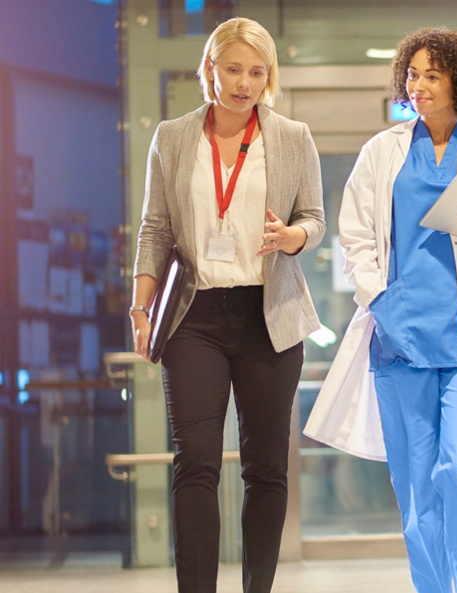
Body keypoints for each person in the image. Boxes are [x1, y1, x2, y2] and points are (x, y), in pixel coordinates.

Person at [304, 27, 457, 593]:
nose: (419, 84)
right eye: (413, 74)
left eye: (433, 75)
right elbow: (355, 235)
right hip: (398, 338)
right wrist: (377, 298)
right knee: (416, 492)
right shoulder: (383, 151)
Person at [130, 17, 325, 593]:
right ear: (209, 68)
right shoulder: (172, 135)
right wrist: (140, 311)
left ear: (269, 77)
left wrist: (294, 238)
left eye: (256, 72)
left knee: (266, 469)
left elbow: (314, 219)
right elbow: (154, 229)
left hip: (270, 315)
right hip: (195, 316)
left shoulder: (292, 137)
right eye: (233, 69)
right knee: (195, 462)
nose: (243, 83)